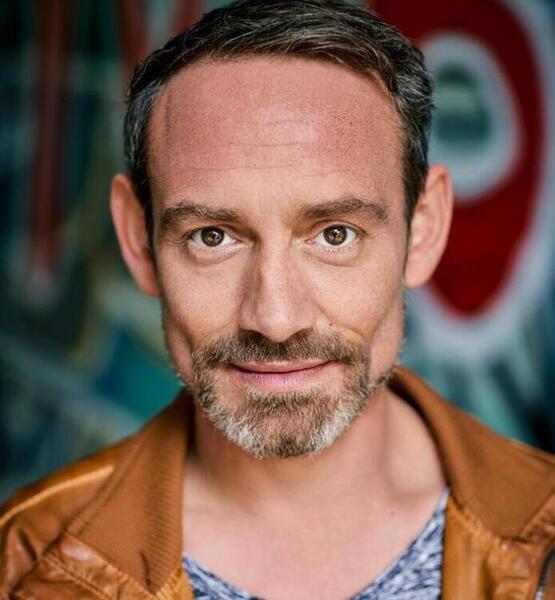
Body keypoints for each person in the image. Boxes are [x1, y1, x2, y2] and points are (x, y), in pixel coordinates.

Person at [1, 0, 554, 598]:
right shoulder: (22, 567)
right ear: (139, 242)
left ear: (423, 232)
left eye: (335, 235)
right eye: (213, 237)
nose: (276, 319)